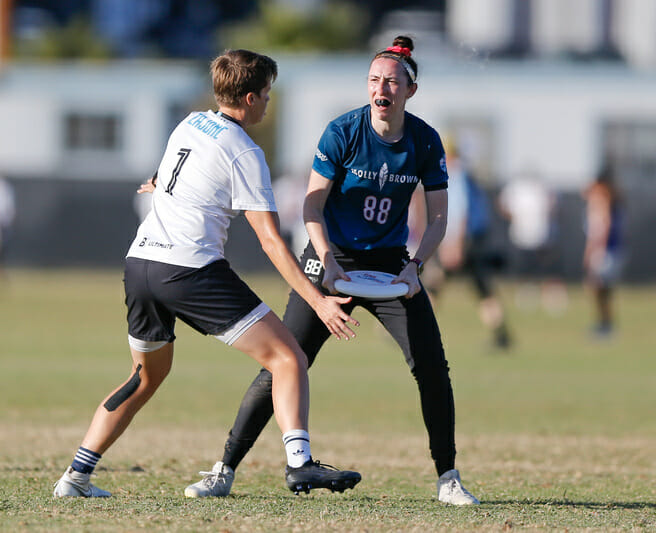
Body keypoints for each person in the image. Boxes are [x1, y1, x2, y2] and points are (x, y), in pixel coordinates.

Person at [53, 49, 362, 498]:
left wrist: (157, 188)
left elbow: (163, 177)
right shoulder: (246, 152)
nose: (269, 103)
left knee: (143, 378)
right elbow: (271, 241)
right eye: (268, 94)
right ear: (251, 97)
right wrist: (318, 301)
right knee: (288, 356)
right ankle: (300, 465)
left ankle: (75, 477)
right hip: (189, 269)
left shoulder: (190, 122)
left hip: (140, 264)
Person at [185, 36, 480, 506]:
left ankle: (448, 478)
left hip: (389, 268)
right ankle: (224, 470)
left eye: (391, 81)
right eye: (374, 80)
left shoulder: (424, 140)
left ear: (410, 90)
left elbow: (440, 217)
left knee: (433, 369)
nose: (381, 88)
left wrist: (415, 266)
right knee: (283, 362)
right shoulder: (342, 132)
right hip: (329, 259)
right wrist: (327, 261)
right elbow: (311, 208)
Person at [425, 147, 511, 350]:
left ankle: (413, 328)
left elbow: (459, 211)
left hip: (462, 241)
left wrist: (454, 245)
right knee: (482, 289)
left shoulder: (456, 175)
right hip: (475, 240)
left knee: (433, 284)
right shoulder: (468, 175)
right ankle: (501, 335)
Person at [498, 173, 568, 316]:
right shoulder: (516, 188)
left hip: (543, 236)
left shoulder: (546, 188)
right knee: (525, 268)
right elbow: (502, 204)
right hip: (522, 235)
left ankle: (552, 297)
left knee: (547, 268)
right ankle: (527, 296)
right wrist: (516, 218)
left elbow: (556, 206)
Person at [582, 164, 625, 338]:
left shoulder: (602, 198)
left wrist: (593, 249)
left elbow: (602, 226)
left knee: (596, 287)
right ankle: (604, 323)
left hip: (604, 250)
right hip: (612, 249)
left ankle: (605, 324)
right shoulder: (612, 197)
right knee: (602, 289)